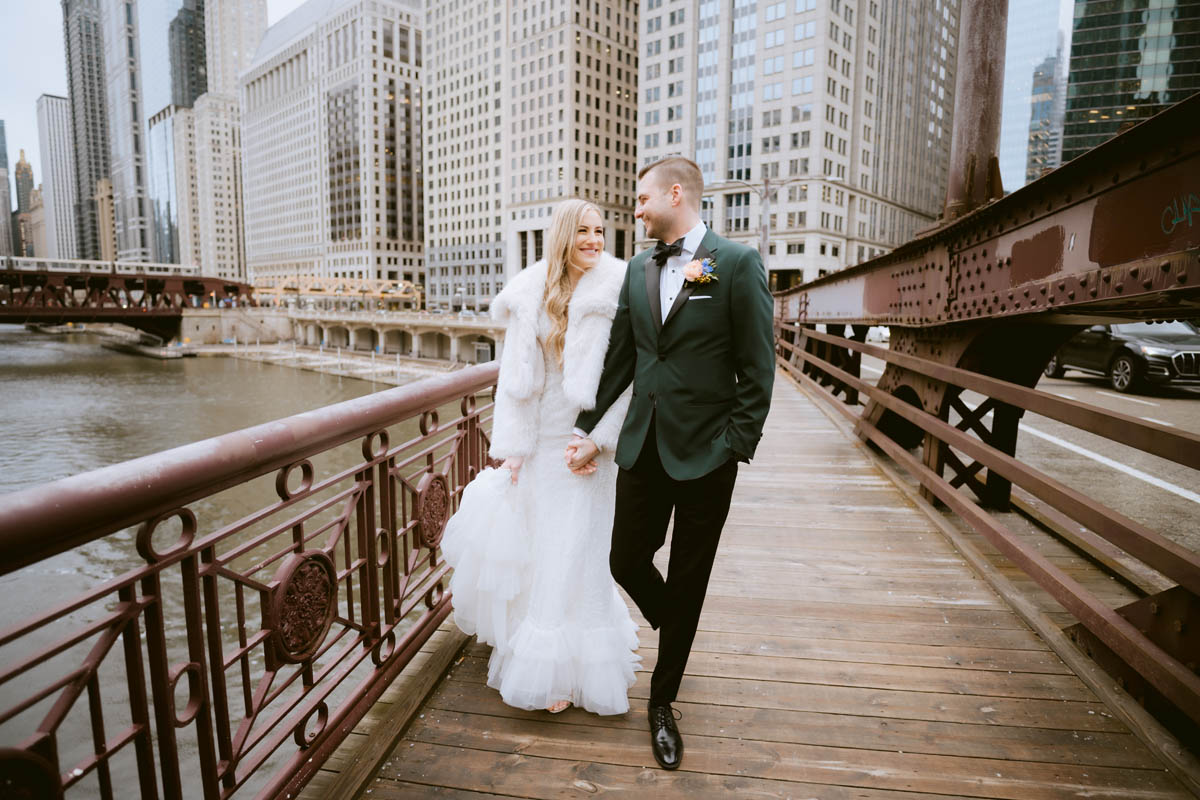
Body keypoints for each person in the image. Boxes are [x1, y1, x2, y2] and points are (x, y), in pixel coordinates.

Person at [566, 156, 776, 769]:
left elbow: (758, 366)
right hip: (643, 443)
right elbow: (624, 359)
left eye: (641, 199)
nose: (635, 210)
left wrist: (737, 442)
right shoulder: (637, 269)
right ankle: (676, 624)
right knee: (624, 558)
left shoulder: (735, 265)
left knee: (689, 575)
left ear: (675, 194)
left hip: (709, 453)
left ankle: (662, 704)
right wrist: (586, 426)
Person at [442, 198, 638, 716]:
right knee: (544, 550)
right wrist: (512, 451)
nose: (595, 240)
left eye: (600, 231)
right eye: (584, 233)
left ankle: (573, 670)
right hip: (541, 443)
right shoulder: (532, 291)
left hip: (587, 441)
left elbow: (631, 378)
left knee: (580, 551)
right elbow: (514, 383)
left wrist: (597, 440)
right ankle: (548, 665)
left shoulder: (619, 287)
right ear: (562, 238)